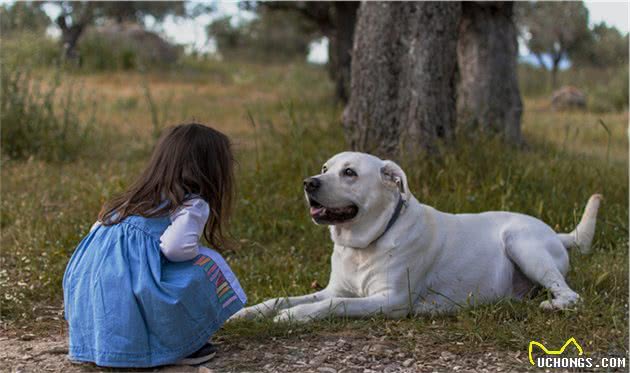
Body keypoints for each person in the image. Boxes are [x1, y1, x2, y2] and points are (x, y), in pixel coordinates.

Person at [63, 123, 246, 367]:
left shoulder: (129, 201)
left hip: (87, 288)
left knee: (130, 279)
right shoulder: (192, 205)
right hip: (130, 291)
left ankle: (103, 343)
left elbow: (95, 238)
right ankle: (179, 343)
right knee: (208, 264)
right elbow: (175, 248)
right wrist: (196, 253)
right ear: (211, 171)